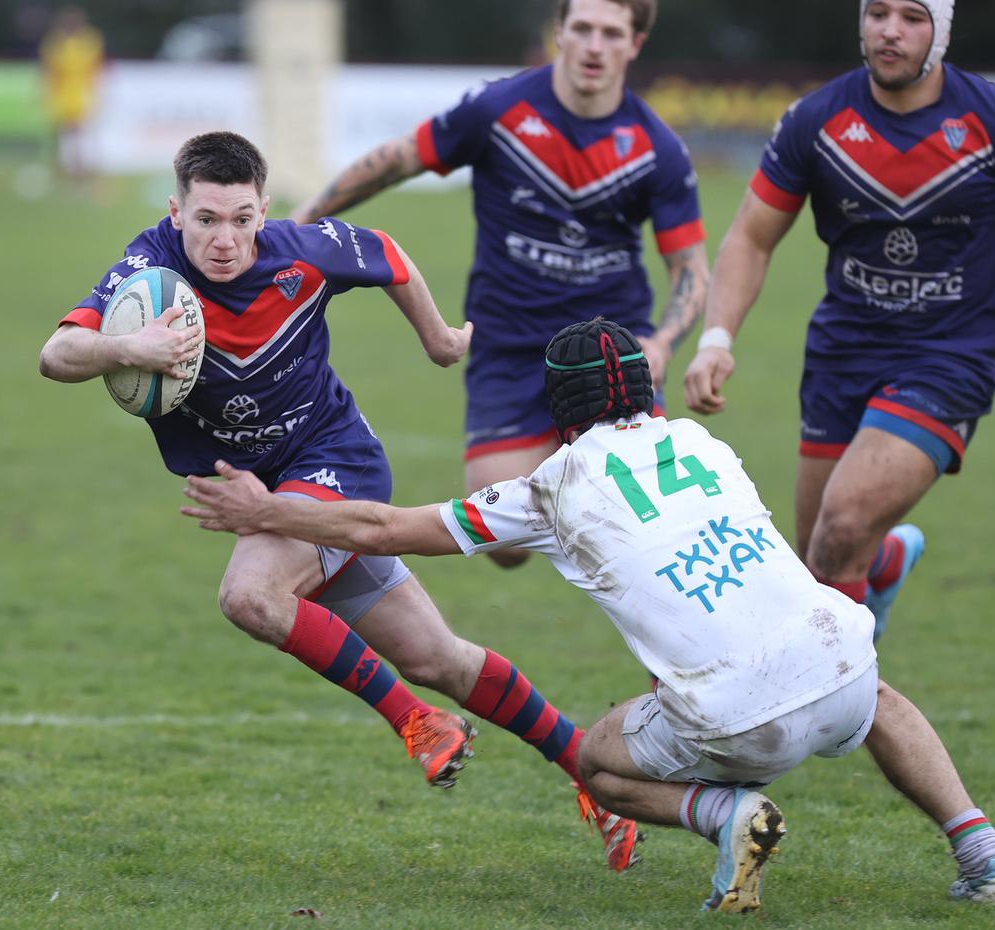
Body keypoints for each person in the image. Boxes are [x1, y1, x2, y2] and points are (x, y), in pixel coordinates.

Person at [182, 318, 995, 913]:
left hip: (735, 721)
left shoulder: (551, 486)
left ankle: (727, 816)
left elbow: (379, 527)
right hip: (838, 664)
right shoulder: (703, 443)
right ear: (648, 390)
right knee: (875, 687)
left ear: (561, 412)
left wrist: (269, 513)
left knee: (596, 758)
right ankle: (985, 856)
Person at [38, 131, 639, 872]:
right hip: (269, 488)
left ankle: (417, 724)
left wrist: (440, 339)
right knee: (442, 659)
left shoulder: (303, 250)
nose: (224, 239)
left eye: (241, 218)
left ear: (264, 210)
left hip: (334, 465)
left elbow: (387, 254)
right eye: (205, 220)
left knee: (251, 595)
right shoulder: (148, 269)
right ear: (176, 212)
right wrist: (129, 350)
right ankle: (601, 783)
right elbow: (56, 354)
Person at [683, 0, 995, 638]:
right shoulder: (816, 121)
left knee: (842, 527)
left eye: (912, 17)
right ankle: (887, 562)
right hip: (841, 355)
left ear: (943, 31)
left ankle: (841, 699)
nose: (890, 31)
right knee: (822, 559)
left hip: (950, 357)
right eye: (878, 13)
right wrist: (716, 339)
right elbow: (751, 237)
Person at [290, 0, 709, 567]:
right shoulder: (498, 110)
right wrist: (299, 227)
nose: (593, 45)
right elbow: (395, 160)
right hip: (509, 346)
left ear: (634, 45)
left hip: (608, 351)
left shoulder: (655, 147)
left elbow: (690, 269)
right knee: (503, 546)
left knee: (652, 530)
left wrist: (662, 343)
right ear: (558, 31)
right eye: (581, 29)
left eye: (611, 33)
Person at [39, 5, 103, 180]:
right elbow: (49, 69)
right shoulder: (55, 42)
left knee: (79, 136)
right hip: (62, 94)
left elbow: (95, 67)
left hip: (81, 94)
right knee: (61, 135)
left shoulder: (89, 40)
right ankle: (64, 171)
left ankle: (80, 172)